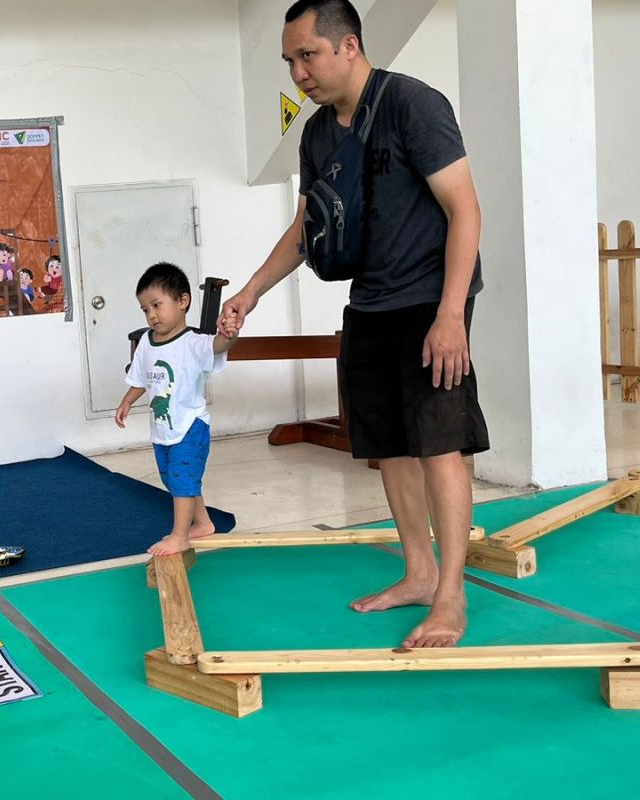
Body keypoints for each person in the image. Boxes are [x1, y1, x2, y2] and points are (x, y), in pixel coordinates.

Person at [218, 0, 488, 648]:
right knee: (387, 447)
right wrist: (251, 291)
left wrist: (452, 315)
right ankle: (419, 573)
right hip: (370, 304)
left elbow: (466, 209)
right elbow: (305, 226)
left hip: (430, 300)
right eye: (288, 60)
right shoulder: (314, 135)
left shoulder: (412, 106)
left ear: (348, 46)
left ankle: (451, 597)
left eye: (306, 55)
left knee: (439, 445)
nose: (298, 72)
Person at [117, 262, 240, 556]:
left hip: (190, 426)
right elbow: (141, 378)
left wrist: (230, 333)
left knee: (184, 480)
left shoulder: (193, 343)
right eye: (145, 309)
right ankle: (204, 523)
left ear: (183, 301)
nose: (152, 315)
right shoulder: (147, 343)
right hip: (162, 429)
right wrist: (127, 401)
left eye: (157, 305)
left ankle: (180, 535)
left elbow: (218, 346)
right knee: (174, 479)